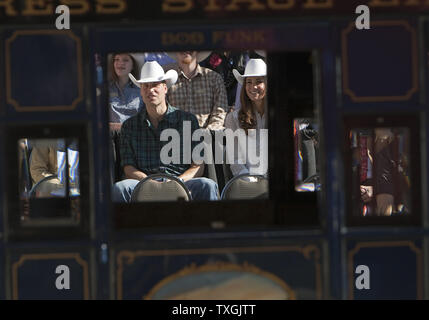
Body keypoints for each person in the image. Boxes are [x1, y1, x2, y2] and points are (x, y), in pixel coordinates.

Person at [112, 61, 219, 202]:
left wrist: (178, 181)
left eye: (155, 85)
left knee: (207, 185)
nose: (150, 90)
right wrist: (148, 181)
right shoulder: (129, 126)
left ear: (165, 88)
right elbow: (128, 167)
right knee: (121, 188)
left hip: (182, 181)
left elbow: (197, 165)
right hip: (143, 183)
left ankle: (212, 224)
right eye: (146, 86)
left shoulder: (188, 120)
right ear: (141, 91)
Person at [224, 58, 268, 177]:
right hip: (248, 182)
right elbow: (234, 159)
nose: (253, 87)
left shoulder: (280, 115)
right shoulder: (232, 119)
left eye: (258, 81)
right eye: (249, 82)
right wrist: (247, 178)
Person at [164, 51, 228, 130]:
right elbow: (162, 113)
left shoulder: (214, 78)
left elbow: (219, 113)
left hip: (207, 138)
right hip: (175, 137)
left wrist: (206, 136)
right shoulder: (167, 81)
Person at [108, 53, 143, 130]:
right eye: (117, 59)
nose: (120, 63)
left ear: (133, 65)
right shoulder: (105, 89)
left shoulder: (141, 89)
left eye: (125, 60)